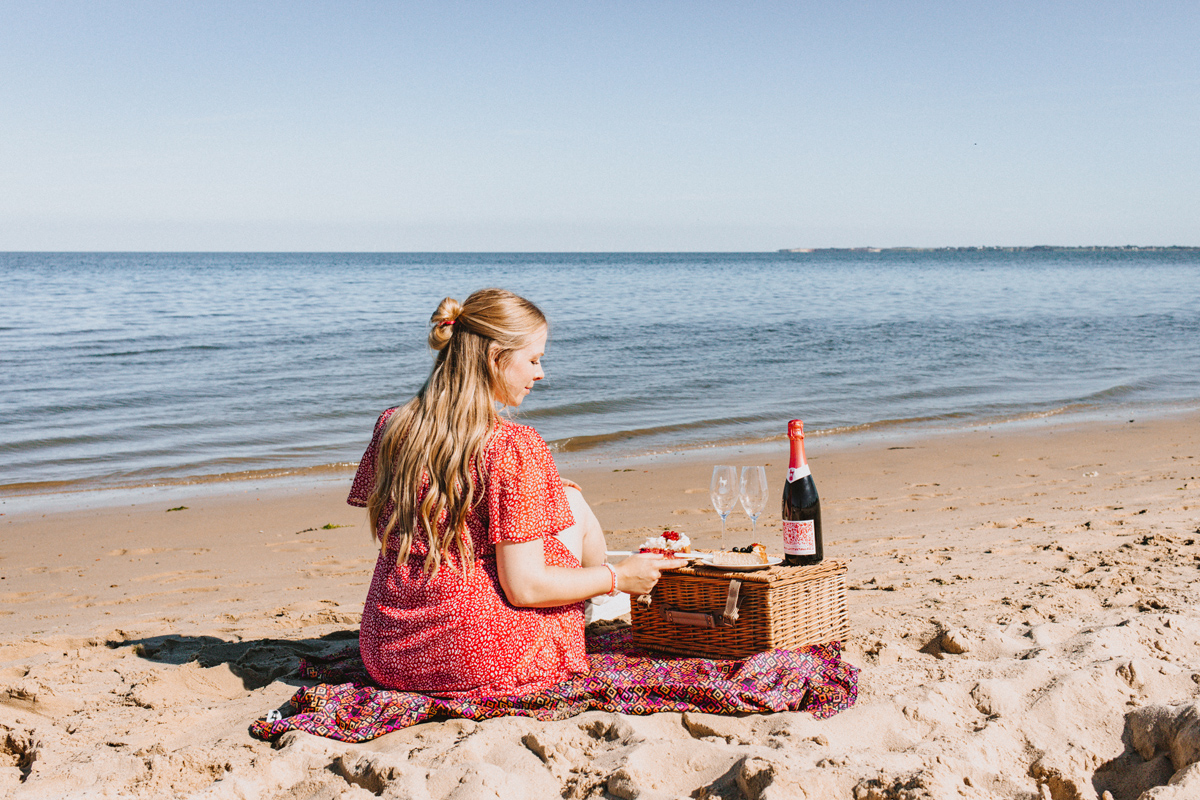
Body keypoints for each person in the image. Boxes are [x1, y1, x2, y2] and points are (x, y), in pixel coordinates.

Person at [347, 288, 679, 698]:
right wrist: (619, 574)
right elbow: (525, 587)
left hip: (388, 651)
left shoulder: (393, 425)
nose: (540, 374)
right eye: (534, 360)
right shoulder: (511, 446)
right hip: (476, 658)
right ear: (494, 358)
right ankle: (605, 594)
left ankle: (598, 597)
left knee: (562, 495)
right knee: (572, 506)